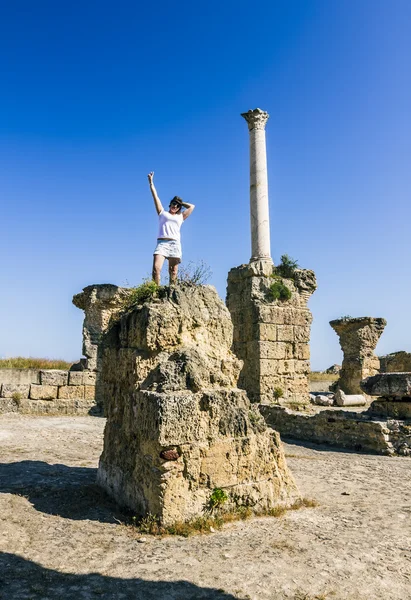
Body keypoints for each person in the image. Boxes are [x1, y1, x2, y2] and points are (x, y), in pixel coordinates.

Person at [148, 171, 195, 285]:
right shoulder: (162, 213)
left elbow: (192, 206)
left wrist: (180, 202)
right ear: (170, 204)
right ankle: (155, 292)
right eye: (173, 204)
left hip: (175, 243)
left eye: (177, 205)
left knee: (173, 271)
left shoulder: (181, 216)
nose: (175, 206)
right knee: (156, 269)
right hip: (162, 243)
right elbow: (156, 197)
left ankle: (171, 292)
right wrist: (151, 183)